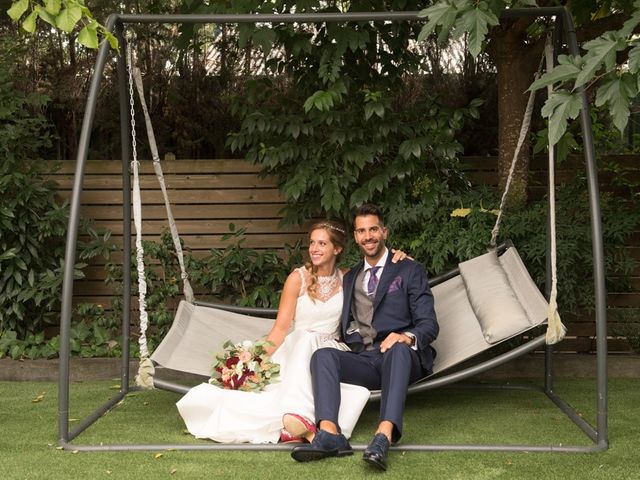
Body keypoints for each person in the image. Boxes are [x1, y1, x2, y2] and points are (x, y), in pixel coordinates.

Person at [176, 220, 408, 444]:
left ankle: (304, 423)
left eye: (322, 244)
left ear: (337, 248)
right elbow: (280, 328)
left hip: (331, 348)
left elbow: (380, 272)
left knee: (323, 358)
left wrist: (401, 258)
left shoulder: (348, 277)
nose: (314, 249)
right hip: (298, 345)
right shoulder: (297, 279)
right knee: (305, 342)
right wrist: (253, 361)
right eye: (312, 243)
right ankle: (299, 419)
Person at [288, 204, 439, 470]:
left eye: (373, 229)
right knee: (323, 355)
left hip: (404, 358)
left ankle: (383, 435)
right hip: (367, 358)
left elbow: (429, 325)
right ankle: (330, 434)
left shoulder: (408, 270)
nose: (368, 236)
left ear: (384, 232)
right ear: (356, 237)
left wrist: (405, 336)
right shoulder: (351, 277)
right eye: (361, 231)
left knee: (398, 349)